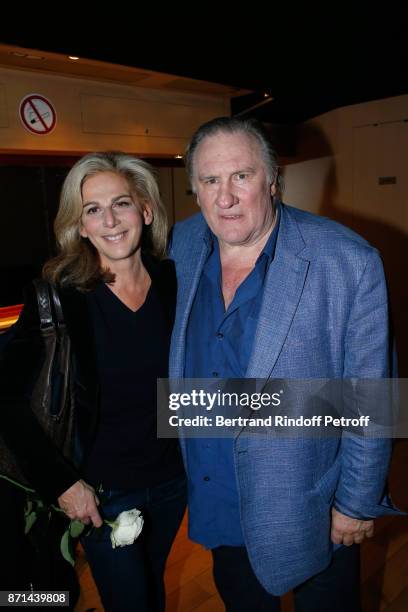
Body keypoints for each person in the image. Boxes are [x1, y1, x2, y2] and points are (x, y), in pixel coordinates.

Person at [168, 117, 401, 611]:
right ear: (194, 188)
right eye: (210, 181)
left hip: (311, 508)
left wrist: (356, 503)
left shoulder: (347, 261)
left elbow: (371, 399)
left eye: (241, 176)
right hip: (219, 500)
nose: (225, 197)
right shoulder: (181, 247)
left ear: (273, 180)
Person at [0, 152, 186, 612]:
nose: (110, 220)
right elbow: (3, 397)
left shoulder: (174, 281)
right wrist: (63, 483)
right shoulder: (57, 298)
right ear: (80, 226)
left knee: (153, 585)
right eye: (92, 209)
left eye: (121, 203)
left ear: (145, 210)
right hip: (101, 493)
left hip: (172, 481)